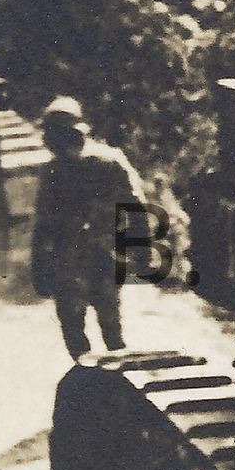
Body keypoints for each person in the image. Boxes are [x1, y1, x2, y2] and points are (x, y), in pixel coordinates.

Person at [32, 97, 151, 359]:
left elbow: (43, 225)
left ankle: (101, 377)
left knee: (86, 332)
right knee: (105, 330)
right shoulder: (105, 161)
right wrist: (143, 253)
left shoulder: (94, 164)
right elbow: (138, 209)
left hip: (86, 258)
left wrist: (39, 266)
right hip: (93, 256)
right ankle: (103, 377)